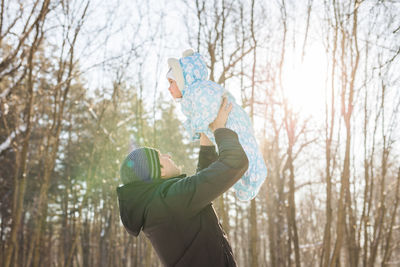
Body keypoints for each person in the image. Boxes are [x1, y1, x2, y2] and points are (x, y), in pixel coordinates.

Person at [117, 97, 248, 267]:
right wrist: (219, 130)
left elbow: (199, 189)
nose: (168, 156)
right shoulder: (169, 201)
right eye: (161, 156)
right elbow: (235, 161)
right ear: (160, 171)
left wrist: (205, 136)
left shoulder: (161, 205)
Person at [167, 49, 267, 201]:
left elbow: (210, 107)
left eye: (171, 82)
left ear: (182, 79)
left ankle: (251, 179)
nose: (169, 88)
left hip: (232, 122)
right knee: (240, 154)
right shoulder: (192, 94)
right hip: (225, 127)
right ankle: (247, 184)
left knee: (245, 148)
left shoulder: (199, 89)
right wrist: (200, 129)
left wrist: (198, 126)